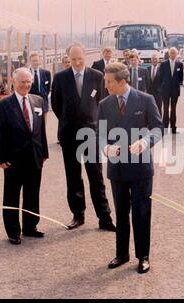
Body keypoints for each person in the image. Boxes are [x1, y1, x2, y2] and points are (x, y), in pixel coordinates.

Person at [97, 62, 163, 274]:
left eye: (108, 82)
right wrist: (106, 147)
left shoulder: (146, 100)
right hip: (117, 169)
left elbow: (157, 128)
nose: (105, 86)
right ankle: (121, 254)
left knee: (142, 213)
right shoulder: (104, 104)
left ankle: (143, 256)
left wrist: (144, 142)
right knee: (121, 212)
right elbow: (99, 134)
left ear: (122, 81)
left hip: (141, 169)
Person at [51, 43, 115, 232]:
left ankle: (104, 217)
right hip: (69, 134)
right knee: (73, 176)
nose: (77, 63)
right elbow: (56, 105)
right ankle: (78, 214)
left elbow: (103, 104)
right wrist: (68, 121)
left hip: (91, 133)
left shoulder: (97, 76)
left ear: (85, 57)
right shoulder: (60, 78)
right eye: (73, 60)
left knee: (96, 177)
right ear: (68, 59)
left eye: (80, 59)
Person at [0, 68, 49, 245]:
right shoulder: (3, 105)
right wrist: (1, 159)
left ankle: (30, 227)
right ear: (13, 82)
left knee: (33, 194)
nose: (25, 85)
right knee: (11, 196)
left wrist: (44, 152)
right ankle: (13, 231)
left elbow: (41, 131)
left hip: (34, 157)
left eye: (28, 81)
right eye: (22, 82)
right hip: (13, 160)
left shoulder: (38, 100)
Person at [159, 47, 184, 134]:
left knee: (173, 109)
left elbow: (181, 78)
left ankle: (173, 128)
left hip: (175, 90)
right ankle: (165, 127)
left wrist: (176, 84)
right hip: (165, 90)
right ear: (169, 54)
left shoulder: (180, 64)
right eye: (171, 53)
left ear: (177, 54)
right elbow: (160, 77)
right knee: (165, 109)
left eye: (174, 53)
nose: (173, 54)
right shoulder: (163, 64)